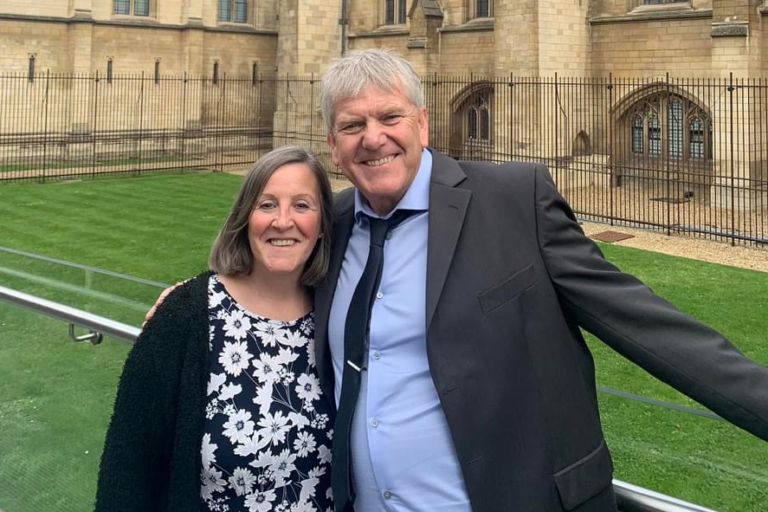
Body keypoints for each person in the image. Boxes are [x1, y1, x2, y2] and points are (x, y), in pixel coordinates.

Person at [148, 51, 768, 512]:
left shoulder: (512, 199)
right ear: (333, 146)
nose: (373, 138)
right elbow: (264, 264)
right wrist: (191, 299)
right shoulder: (330, 224)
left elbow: (646, 324)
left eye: (389, 116)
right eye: (351, 125)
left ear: (421, 123)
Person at [96, 146, 335, 512]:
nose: (283, 220)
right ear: (244, 217)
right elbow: (126, 469)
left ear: (322, 227)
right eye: (267, 204)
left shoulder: (337, 311)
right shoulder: (187, 316)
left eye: (302, 205)